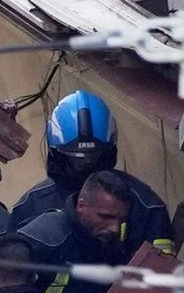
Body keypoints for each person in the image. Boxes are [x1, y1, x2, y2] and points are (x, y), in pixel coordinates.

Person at [10, 90, 173, 256]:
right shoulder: (31, 206)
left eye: (94, 157)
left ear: (109, 152)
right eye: (76, 160)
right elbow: (7, 272)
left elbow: (162, 270)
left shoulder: (146, 206)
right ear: (56, 154)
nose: (86, 166)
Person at [17, 170, 136, 293]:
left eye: (121, 219)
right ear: (81, 206)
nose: (115, 228)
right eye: (106, 216)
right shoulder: (43, 238)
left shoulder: (109, 244)